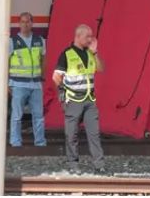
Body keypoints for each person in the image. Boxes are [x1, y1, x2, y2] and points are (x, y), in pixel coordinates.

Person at [52, 24, 105, 173]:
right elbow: (56, 77)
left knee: (94, 133)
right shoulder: (67, 54)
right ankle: (73, 164)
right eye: (88, 36)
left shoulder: (90, 53)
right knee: (71, 134)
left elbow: (100, 69)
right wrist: (62, 97)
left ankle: (99, 165)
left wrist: (95, 53)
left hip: (89, 100)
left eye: (91, 36)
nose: (90, 39)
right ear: (78, 36)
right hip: (73, 100)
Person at [8, 12, 46, 147]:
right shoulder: (12, 41)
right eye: (23, 22)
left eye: (28, 21)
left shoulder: (40, 40)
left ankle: (40, 143)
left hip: (35, 84)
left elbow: (43, 59)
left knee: (39, 116)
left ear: (32, 23)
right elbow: (5, 62)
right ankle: (15, 142)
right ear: (19, 24)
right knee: (17, 116)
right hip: (18, 84)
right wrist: (8, 83)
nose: (25, 24)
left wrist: (42, 77)